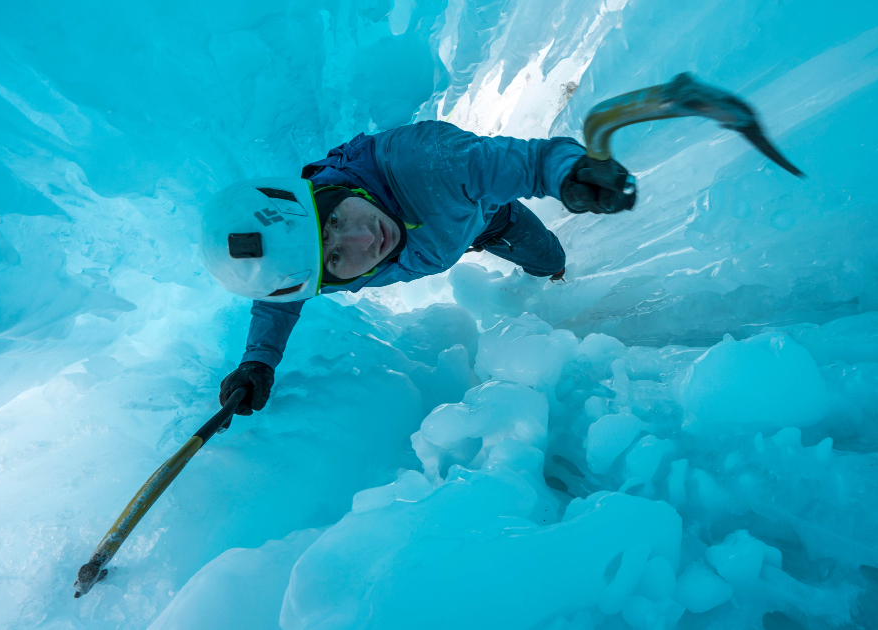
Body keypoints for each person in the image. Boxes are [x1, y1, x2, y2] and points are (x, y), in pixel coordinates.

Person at [200, 120, 637, 416]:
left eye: (334, 219)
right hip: (443, 236)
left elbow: (493, 162)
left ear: (316, 193)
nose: (365, 239)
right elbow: (279, 302)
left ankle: (551, 282)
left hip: (488, 220)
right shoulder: (307, 265)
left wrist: (566, 172)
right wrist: (258, 361)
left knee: (550, 260)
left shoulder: (420, 163)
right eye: (335, 256)